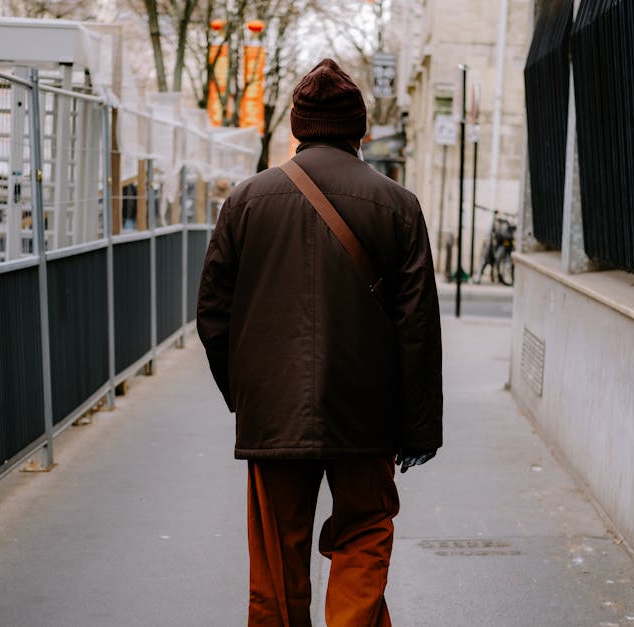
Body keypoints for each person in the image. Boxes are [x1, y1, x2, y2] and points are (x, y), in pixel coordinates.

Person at [197, 58, 442, 627]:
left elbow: (213, 315)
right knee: (364, 533)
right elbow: (418, 327)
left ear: (297, 127)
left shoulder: (246, 201)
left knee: (278, 560)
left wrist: (248, 396)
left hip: (274, 411)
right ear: (359, 129)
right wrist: (419, 427)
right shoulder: (399, 205)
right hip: (367, 416)